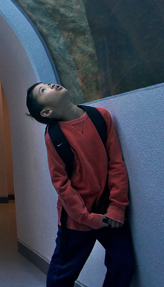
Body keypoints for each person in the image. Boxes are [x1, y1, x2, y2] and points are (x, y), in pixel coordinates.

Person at [26, 82, 136, 287]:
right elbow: (61, 184)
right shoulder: (54, 136)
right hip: (77, 220)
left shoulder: (101, 117)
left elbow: (116, 163)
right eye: (43, 90)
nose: (50, 85)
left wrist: (117, 207)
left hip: (111, 214)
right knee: (62, 275)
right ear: (47, 111)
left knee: (123, 264)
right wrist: (86, 217)